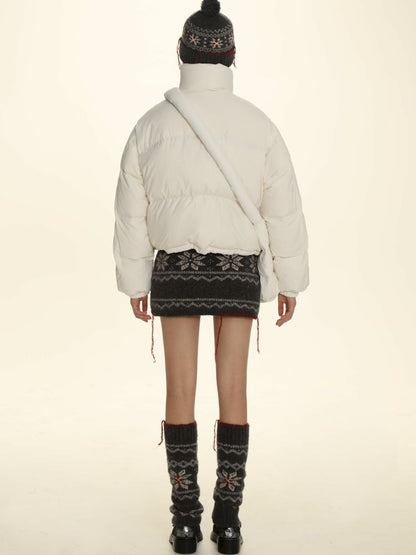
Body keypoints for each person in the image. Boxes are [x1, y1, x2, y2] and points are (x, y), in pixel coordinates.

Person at [112, 0, 309, 552]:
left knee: (179, 391)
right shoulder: (260, 127)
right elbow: (284, 210)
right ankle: (228, 521)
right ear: (232, 57)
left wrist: (135, 281)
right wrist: (289, 280)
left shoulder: (150, 126)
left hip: (175, 270)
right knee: (234, 391)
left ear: (181, 53)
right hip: (237, 271)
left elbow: (131, 212)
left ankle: (184, 520)